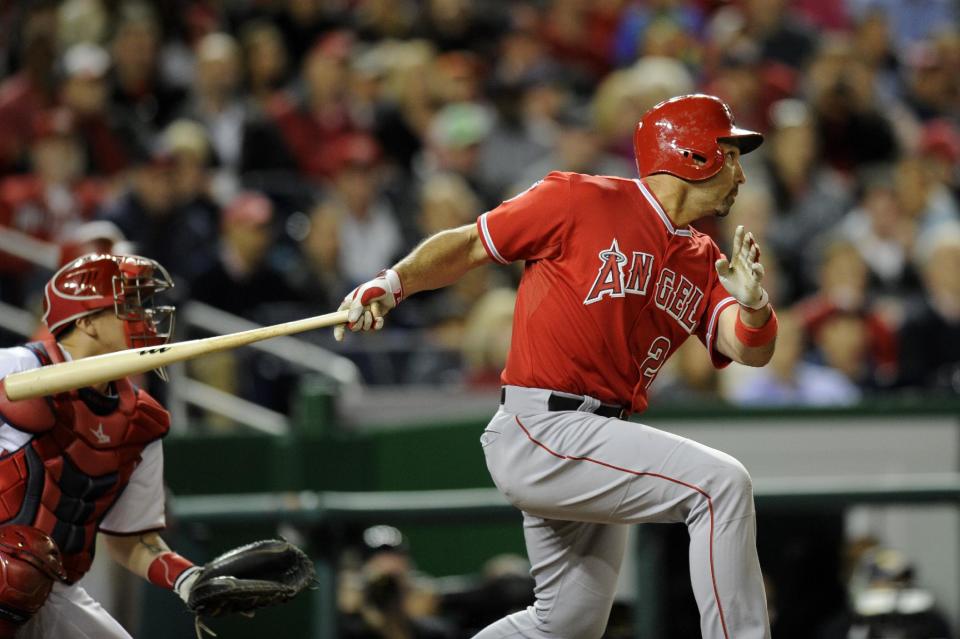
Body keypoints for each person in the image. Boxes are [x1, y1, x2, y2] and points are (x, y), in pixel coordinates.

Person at [335, 94, 777, 639]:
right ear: (691, 155)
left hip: (596, 436)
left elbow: (747, 347)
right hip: (542, 425)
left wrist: (755, 305)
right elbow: (474, 242)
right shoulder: (579, 198)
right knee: (721, 485)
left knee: (566, 625)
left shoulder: (704, 258)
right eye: (730, 153)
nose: (740, 173)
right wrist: (393, 283)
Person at [0, 255, 228, 637]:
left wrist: (188, 578)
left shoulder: (141, 419)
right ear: (87, 321)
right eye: (129, 305)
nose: (144, 316)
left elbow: (132, 541)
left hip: (53, 589)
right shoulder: (18, 367)